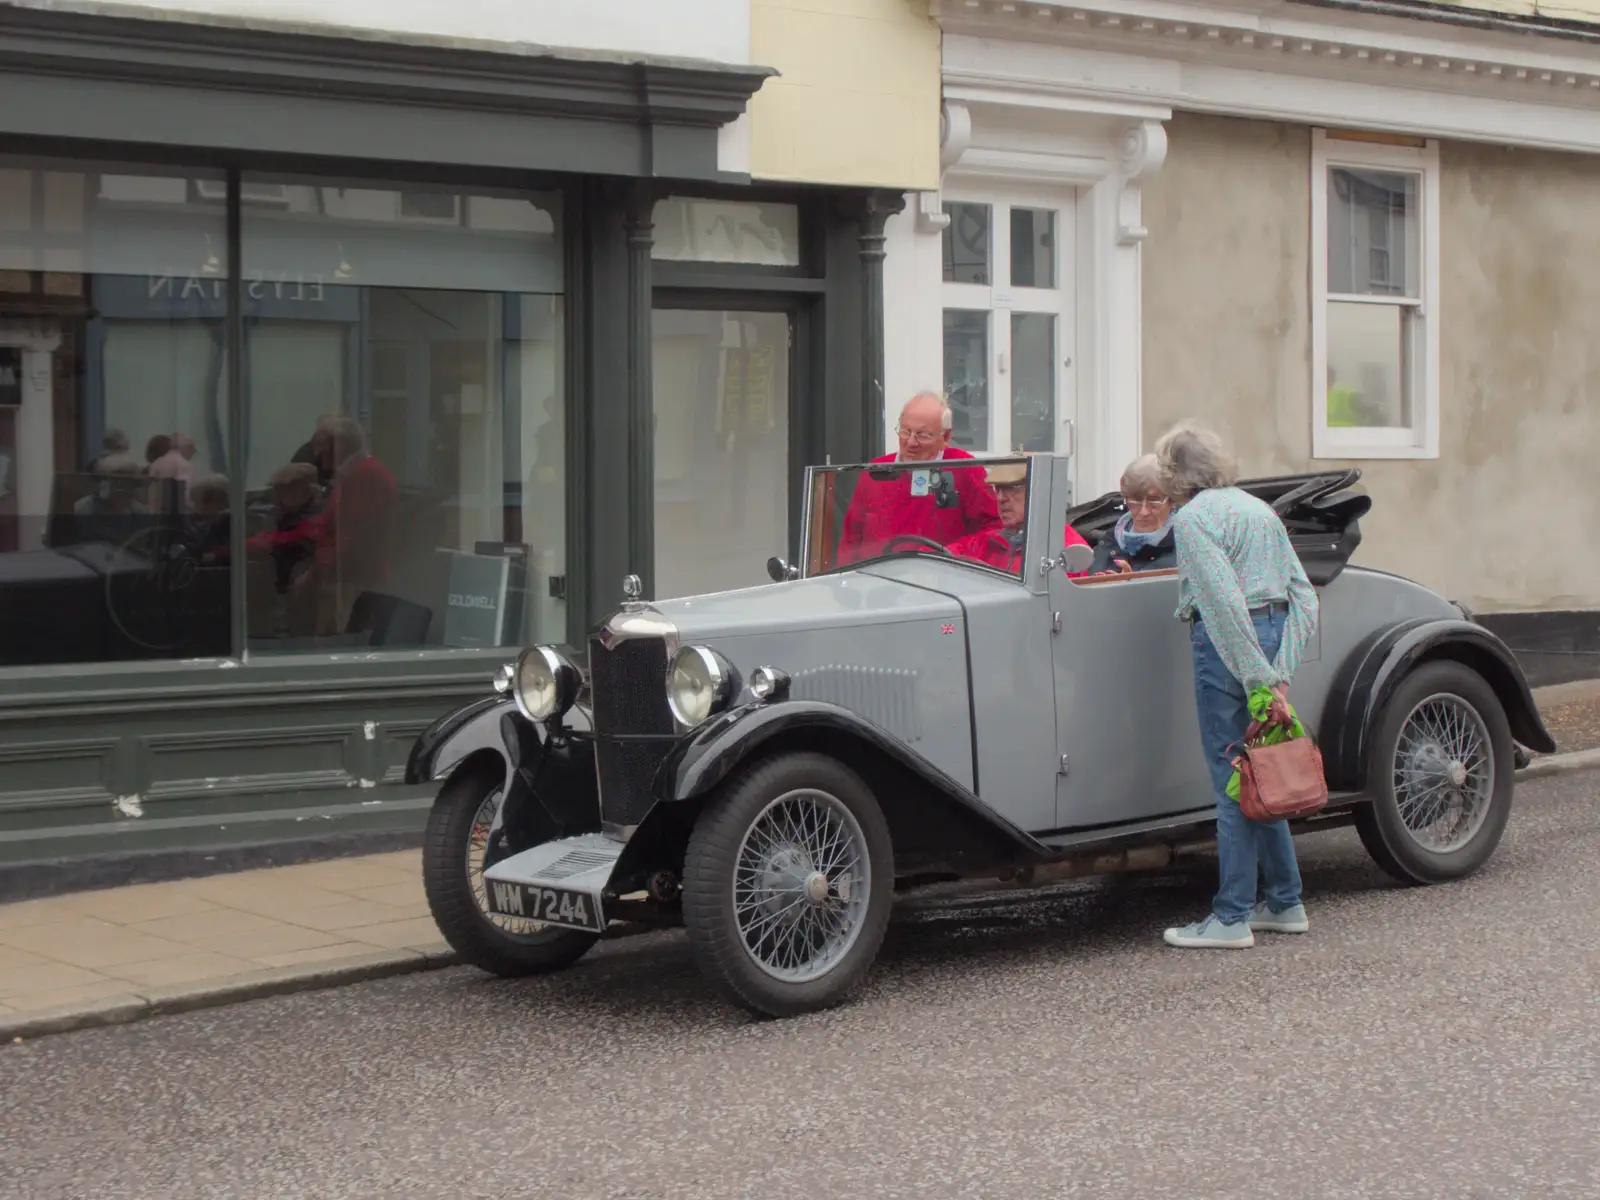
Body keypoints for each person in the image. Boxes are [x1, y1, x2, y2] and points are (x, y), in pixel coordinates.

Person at [1155, 421, 1319, 950]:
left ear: (1176, 474)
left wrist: (1257, 681)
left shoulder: (1194, 519)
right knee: (1262, 768)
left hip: (1229, 644)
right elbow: (1304, 596)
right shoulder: (1259, 509)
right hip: (1270, 634)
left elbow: (1223, 604)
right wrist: (1279, 674)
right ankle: (1286, 901)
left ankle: (1230, 916)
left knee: (1233, 776)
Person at [835, 392, 999, 565]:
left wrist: (953, 553)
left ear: (945, 437)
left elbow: (994, 529)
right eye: (906, 432)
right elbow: (851, 539)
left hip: (941, 580)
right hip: (879, 582)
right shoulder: (877, 472)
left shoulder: (963, 468)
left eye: (923, 435)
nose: (911, 443)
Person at [944, 460, 1091, 574]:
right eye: (998, 489)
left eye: (1011, 489)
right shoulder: (989, 540)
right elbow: (941, 553)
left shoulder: (1063, 551)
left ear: (1038, 492)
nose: (1001, 498)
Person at [1088, 454, 1177, 576]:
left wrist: (1130, 590)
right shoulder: (1108, 542)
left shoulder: (1185, 548)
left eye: (1154, 501)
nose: (1143, 512)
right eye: (1135, 500)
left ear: (1173, 500)